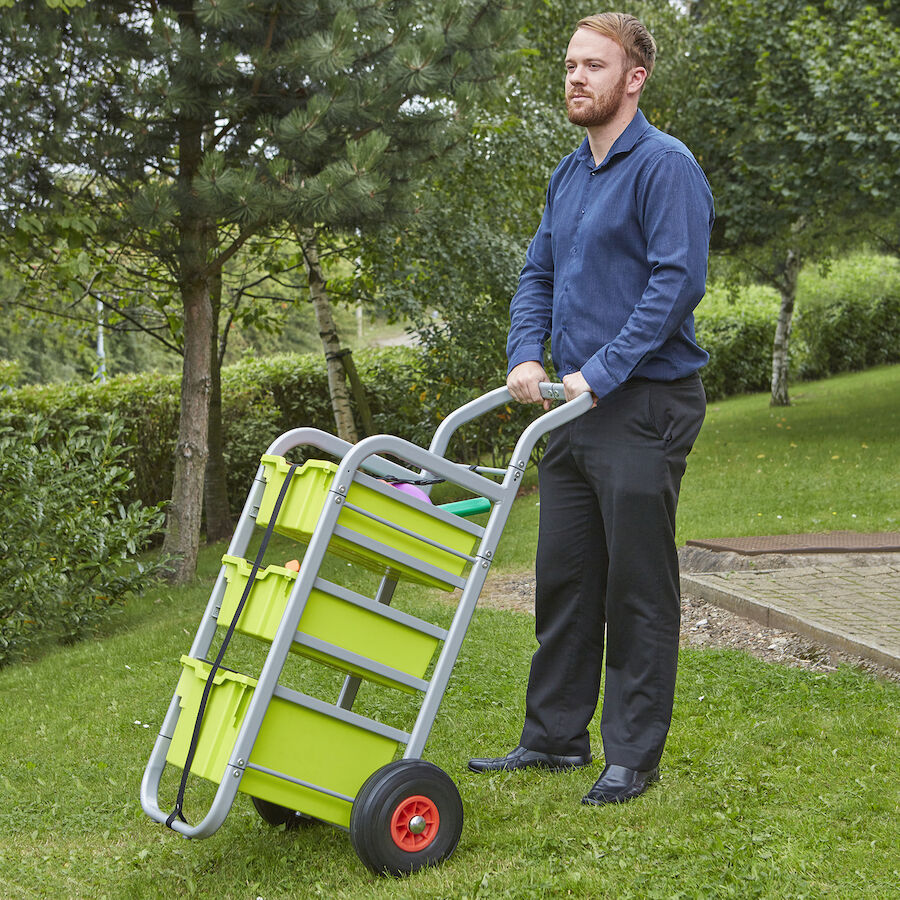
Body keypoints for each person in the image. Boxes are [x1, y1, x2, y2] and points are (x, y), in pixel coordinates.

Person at [468, 12, 713, 805]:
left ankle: (632, 757)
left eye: (593, 66)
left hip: (641, 404)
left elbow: (675, 285)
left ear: (633, 79)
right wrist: (525, 354)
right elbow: (536, 272)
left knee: (637, 585)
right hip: (570, 408)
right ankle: (553, 739)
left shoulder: (665, 167)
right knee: (566, 578)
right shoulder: (569, 174)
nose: (575, 77)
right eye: (570, 64)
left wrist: (600, 372)